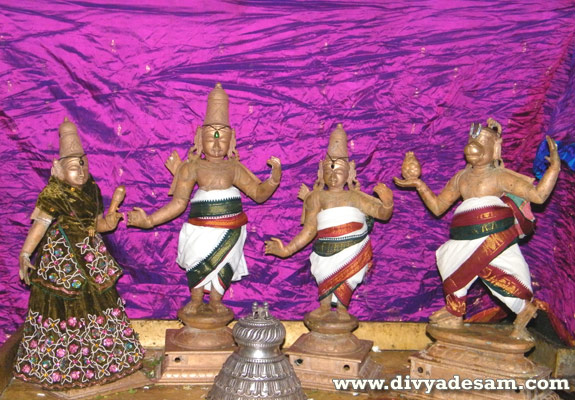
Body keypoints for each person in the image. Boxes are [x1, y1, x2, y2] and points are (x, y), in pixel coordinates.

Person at [394, 118, 561, 339]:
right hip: (463, 235)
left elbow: (538, 195)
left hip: (495, 235)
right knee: (448, 257)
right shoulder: (461, 177)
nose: (475, 146)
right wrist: (419, 185)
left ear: (495, 150)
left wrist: (554, 169)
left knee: (503, 273)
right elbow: (437, 207)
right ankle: (455, 311)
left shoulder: (500, 176)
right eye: (473, 140)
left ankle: (524, 310)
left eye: (483, 141)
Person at [128, 83, 281, 315]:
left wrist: (273, 180)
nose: (217, 144)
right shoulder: (192, 167)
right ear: (200, 138)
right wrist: (149, 221)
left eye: (222, 138)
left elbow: (259, 194)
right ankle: (197, 299)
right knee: (197, 261)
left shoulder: (234, 168)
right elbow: (178, 204)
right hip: (200, 228)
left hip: (231, 230)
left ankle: (217, 302)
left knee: (224, 265)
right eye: (211, 138)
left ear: (232, 140)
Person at [14, 118, 144, 389]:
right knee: (64, 309)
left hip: (91, 257)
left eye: (83, 165)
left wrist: (112, 218)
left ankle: (102, 360)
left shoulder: (93, 190)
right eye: (73, 167)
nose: (81, 172)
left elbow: (98, 224)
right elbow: (41, 225)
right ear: (58, 169)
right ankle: (63, 367)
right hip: (62, 262)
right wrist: (26, 254)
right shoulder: (53, 193)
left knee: (99, 305)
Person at [265, 124, 393, 320]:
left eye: (339, 171)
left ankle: (343, 310)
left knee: (347, 279)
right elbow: (309, 230)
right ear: (321, 171)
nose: (333, 176)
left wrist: (388, 201)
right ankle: (324, 308)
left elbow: (383, 214)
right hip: (324, 249)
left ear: (350, 172)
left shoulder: (357, 197)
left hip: (352, 249)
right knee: (323, 273)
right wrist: (287, 250)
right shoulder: (316, 198)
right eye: (329, 170)